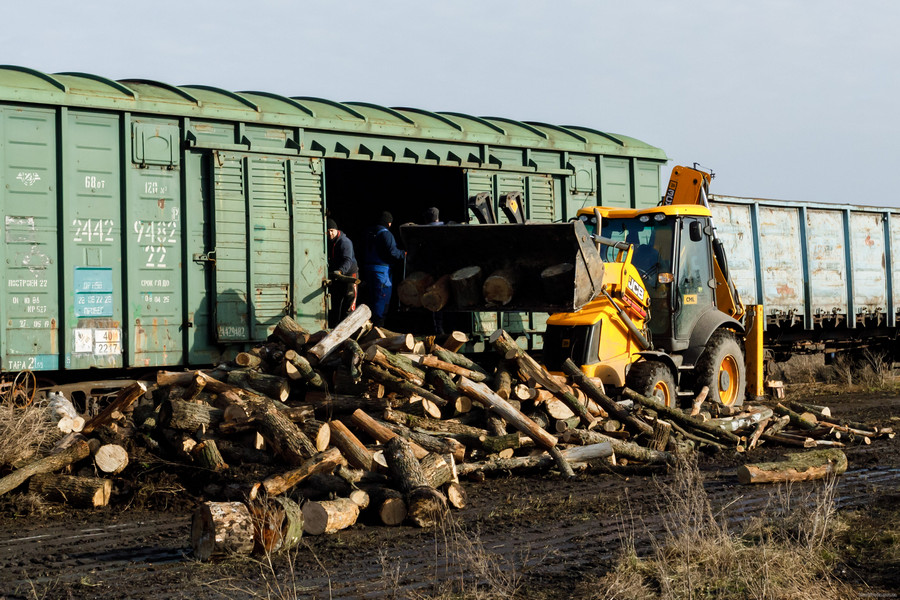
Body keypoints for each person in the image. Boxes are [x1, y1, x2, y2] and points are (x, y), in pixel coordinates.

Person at [361, 211, 405, 326]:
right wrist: (404, 254)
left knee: (370, 298)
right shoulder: (386, 234)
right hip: (381, 271)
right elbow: (393, 252)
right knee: (382, 299)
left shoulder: (368, 232)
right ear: (389, 223)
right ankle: (378, 328)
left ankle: (367, 326)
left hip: (368, 269)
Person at [326, 217, 359, 326]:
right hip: (338, 277)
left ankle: (348, 331)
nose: (330, 233)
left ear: (336, 230)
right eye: (328, 231)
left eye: (332, 230)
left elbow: (347, 260)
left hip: (349, 276)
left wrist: (340, 271)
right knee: (336, 305)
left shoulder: (345, 242)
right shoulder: (331, 242)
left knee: (349, 306)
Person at [422, 207, 445, 334]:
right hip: (445, 269)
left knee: (433, 299)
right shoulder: (445, 229)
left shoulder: (424, 231)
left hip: (431, 270)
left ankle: (438, 328)